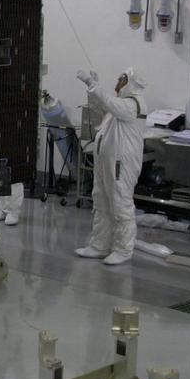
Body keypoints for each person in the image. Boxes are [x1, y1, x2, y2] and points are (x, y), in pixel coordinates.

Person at [74, 67, 148, 266]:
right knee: (101, 201)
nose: (118, 82)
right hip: (106, 162)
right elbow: (100, 108)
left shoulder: (134, 104)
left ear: (131, 83)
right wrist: (92, 90)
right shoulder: (121, 105)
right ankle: (99, 245)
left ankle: (123, 249)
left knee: (120, 203)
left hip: (121, 164)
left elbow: (109, 103)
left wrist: (92, 84)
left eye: (122, 79)